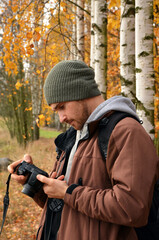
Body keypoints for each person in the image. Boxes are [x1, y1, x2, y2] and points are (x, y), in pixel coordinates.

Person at [8, 60, 159, 240]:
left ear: (80, 92)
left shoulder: (126, 132)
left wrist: (68, 192)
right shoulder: (74, 136)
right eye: (56, 111)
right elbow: (70, 209)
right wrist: (36, 185)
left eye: (62, 107)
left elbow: (132, 207)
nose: (61, 118)